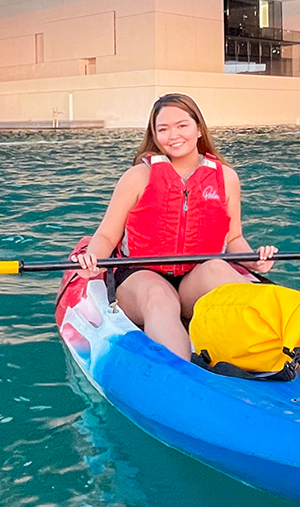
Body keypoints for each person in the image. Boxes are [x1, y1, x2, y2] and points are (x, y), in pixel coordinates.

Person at [73, 93, 276, 359]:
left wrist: (254, 262)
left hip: (195, 278)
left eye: (182, 125)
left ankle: (274, 346)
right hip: (141, 276)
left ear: (198, 129)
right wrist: (92, 261)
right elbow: (107, 235)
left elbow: (234, 237)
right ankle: (183, 376)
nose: (173, 135)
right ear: (155, 136)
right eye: (163, 129)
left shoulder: (226, 178)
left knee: (217, 268)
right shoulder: (137, 177)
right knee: (159, 297)